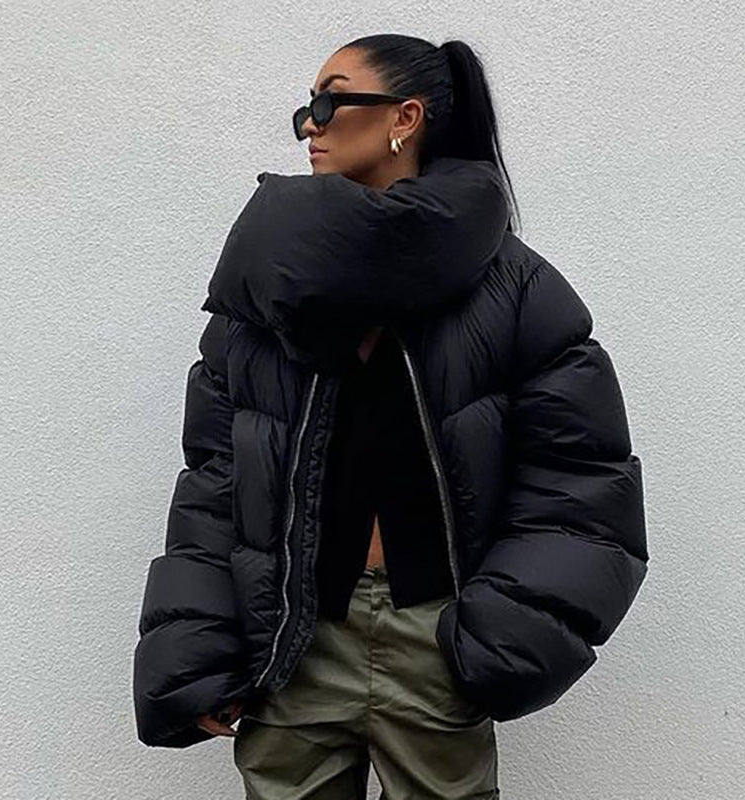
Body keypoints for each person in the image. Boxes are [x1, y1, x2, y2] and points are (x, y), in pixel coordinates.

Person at [132, 34, 649, 800]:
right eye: (307, 107)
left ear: (405, 118)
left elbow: (581, 486)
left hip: (434, 642)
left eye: (331, 100)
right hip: (295, 643)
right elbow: (217, 480)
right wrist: (199, 644)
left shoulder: (516, 291)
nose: (310, 124)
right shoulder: (262, 295)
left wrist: (494, 637)